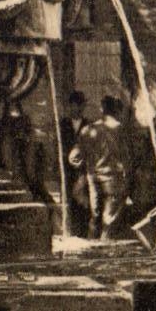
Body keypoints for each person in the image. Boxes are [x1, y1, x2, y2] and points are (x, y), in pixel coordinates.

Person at [68, 94, 130, 241]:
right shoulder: (121, 130)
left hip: (93, 177)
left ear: (102, 109)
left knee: (95, 216)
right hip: (113, 178)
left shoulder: (89, 129)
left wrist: (86, 165)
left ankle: (92, 245)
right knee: (109, 219)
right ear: (116, 110)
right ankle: (105, 246)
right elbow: (128, 157)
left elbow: (73, 157)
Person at [58, 91, 91, 237]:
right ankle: (69, 232)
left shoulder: (88, 125)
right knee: (68, 199)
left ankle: (82, 232)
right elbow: (59, 147)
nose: (76, 108)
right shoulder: (62, 124)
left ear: (83, 106)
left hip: (83, 169)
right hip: (67, 169)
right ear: (70, 106)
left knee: (83, 201)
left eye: (79, 105)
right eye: (73, 105)